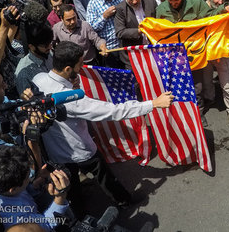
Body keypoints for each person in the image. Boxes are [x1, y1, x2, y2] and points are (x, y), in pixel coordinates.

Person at [32, 41, 173, 217]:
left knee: (71, 189)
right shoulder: (71, 100)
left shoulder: (38, 80)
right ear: (68, 69)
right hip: (80, 150)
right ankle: (123, 201)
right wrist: (153, 103)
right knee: (104, 177)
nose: (83, 67)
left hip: (56, 153)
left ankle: (80, 217)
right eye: (80, 64)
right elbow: (114, 111)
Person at [114, 0, 156, 68]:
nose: (135, 1)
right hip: (134, 55)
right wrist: (139, 31)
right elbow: (120, 32)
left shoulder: (150, 1)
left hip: (153, 50)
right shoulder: (121, 9)